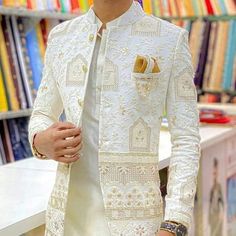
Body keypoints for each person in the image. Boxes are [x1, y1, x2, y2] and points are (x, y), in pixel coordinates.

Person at [28, 0, 201, 235]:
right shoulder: (62, 37)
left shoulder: (169, 39)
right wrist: (40, 140)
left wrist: (174, 223)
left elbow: (186, 139)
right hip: (67, 218)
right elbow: (42, 113)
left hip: (136, 220)